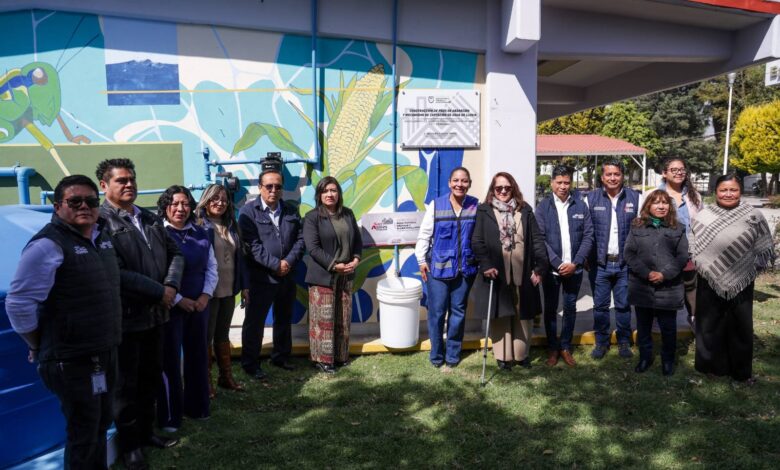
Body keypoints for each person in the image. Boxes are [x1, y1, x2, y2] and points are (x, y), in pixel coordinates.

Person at [6, 175, 121, 469]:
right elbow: (19, 303)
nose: (84, 206)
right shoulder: (48, 245)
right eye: (74, 201)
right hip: (71, 360)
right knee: (84, 432)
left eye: (91, 201)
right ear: (58, 206)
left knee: (100, 425)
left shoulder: (100, 236)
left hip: (103, 351)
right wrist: (37, 342)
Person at [97, 158, 183, 470]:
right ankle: (130, 446)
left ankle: (147, 433)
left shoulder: (148, 218)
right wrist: (159, 292)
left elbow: (175, 253)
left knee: (149, 379)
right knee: (125, 386)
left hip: (156, 316)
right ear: (104, 186)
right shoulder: (100, 223)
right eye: (121, 180)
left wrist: (171, 284)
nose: (129, 184)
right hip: (127, 319)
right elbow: (115, 273)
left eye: (132, 179)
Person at [691, 173, 774, 384]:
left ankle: (741, 371)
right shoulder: (703, 216)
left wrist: (752, 268)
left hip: (742, 277)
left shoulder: (753, 216)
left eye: (733, 190)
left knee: (741, 326)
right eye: (723, 190)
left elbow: (764, 246)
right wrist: (704, 266)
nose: (728, 194)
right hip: (708, 277)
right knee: (709, 325)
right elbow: (694, 246)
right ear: (716, 192)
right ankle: (711, 367)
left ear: (740, 191)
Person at [472, 172, 549, 370]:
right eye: (499, 188)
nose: (503, 191)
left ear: (513, 188)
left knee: (523, 315)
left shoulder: (525, 211)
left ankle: (521, 355)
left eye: (507, 187)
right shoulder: (484, 211)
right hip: (496, 272)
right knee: (500, 315)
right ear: (493, 190)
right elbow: (477, 242)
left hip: (523, 272)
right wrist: (486, 265)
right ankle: (503, 357)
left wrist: (540, 267)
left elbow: (537, 240)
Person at [156, 186, 217, 431]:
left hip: (199, 307)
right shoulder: (157, 234)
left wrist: (205, 295)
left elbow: (211, 267)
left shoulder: (201, 233)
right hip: (170, 307)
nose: (180, 209)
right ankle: (171, 416)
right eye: (174, 203)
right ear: (165, 207)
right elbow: (157, 271)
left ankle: (198, 406)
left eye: (185, 204)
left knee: (198, 357)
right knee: (170, 361)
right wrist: (179, 299)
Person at [239, 169, 304, 379]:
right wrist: (276, 264)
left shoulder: (292, 211)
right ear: (260, 188)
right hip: (262, 278)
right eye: (269, 186)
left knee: (284, 318)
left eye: (277, 186)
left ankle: (281, 357)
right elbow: (252, 246)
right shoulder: (249, 212)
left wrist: (288, 262)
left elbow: (301, 241)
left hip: (287, 276)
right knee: (255, 322)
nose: (273, 190)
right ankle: (251, 363)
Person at [415, 167, 478, 369]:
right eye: (456, 181)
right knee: (437, 312)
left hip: (465, 269)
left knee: (458, 312)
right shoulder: (436, 205)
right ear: (450, 183)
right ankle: (436, 355)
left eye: (464, 181)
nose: (460, 184)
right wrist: (421, 261)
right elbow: (424, 235)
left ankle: (452, 355)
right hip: (438, 270)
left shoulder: (476, 206)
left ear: (469, 183)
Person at [624, 190, 688, 376]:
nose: (661, 206)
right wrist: (647, 273)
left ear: (670, 206)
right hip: (642, 286)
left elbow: (682, 255)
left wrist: (664, 274)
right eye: (656, 203)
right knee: (643, 326)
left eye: (665, 203)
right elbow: (629, 253)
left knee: (668, 327)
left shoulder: (678, 228)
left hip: (669, 287)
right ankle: (645, 357)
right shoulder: (637, 226)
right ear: (648, 206)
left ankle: (668, 360)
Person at [535, 165, 593, 367]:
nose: (563, 186)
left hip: (574, 270)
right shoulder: (543, 207)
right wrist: (558, 264)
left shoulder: (580, 205)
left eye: (566, 182)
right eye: (559, 182)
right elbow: (540, 240)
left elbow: (588, 235)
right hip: (552, 270)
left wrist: (575, 263)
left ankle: (565, 346)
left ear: (571, 183)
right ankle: (552, 348)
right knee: (550, 309)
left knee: (570, 308)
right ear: (551, 183)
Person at [303, 176, 362, 374]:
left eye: (334, 190)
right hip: (323, 275)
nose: (330, 194)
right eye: (326, 191)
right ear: (319, 195)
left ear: (339, 193)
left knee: (342, 318)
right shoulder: (313, 217)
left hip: (346, 274)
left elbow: (357, 242)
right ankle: (322, 359)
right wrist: (334, 265)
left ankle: (340, 356)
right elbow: (312, 248)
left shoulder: (348, 214)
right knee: (324, 321)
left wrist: (355, 259)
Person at [195, 184, 246, 395]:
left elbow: (240, 259)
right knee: (206, 337)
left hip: (228, 288)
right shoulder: (198, 225)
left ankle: (226, 377)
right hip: (209, 291)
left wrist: (245, 286)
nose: (220, 203)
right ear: (206, 201)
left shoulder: (231, 225)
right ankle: (206, 382)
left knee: (223, 335)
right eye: (215, 199)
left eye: (224, 199)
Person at [586, 159, 640, 360]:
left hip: (625, 264)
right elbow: (584, 232)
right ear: (602, 177)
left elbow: (642, 229)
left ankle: (624, 342)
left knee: (623, 305)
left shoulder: (635, 198)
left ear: (622, 176)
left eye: (616, 174)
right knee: (600, 306)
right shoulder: (590, 199)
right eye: (608, 174)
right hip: (600, 264)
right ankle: (601, 342)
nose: (612, 178)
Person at [654, 157, 703, 326]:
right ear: (664, 173)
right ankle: (663, 326)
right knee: (665, 289)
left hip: (690, 251)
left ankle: (694, 320)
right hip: (664, 252)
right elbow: (646, 221)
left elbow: (701, 222)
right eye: (673, 170)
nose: (678, 173)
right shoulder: (654, 195)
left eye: (681, 169)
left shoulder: (694, 195)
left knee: (691, 286)